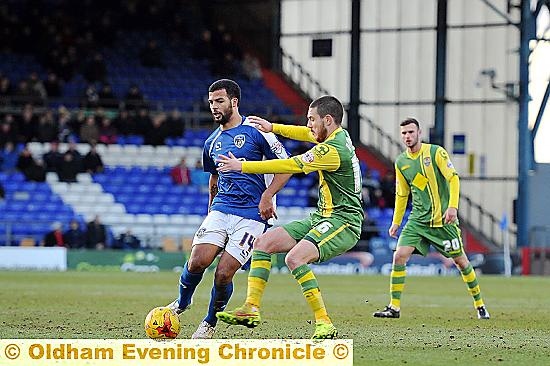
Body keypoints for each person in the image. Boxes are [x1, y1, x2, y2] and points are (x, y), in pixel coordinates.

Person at [215, 95, 364, 339]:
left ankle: (324, 323)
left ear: (327, 120)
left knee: (295, 259)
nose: (308, 125)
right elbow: (306, 135)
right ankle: (251, 308)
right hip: (322, 216)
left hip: (343, 222)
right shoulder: (339, 134)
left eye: (311, 119)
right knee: (262, 244)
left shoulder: (332, 150)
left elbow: (289, 165)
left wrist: (242, 166)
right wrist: (273, 128)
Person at [164, 79, 291, 339]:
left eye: (219, 101)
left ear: (234, 102)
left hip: (252, 216)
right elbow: (213, 180)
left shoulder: (258, 131)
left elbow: (286, 165)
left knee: (223, 274)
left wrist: (268, 195)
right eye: (211, 102)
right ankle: (182, 303)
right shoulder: (211, 142)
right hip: (221, 209)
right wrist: (210, 211)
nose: (214, 107)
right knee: (198, 260)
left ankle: (209, 322)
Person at [371, 118, 490, 320]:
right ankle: (394, 307)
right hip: (418, 221)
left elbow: (453, 178)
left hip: (443, 221)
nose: (407, 136)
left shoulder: (436, 153)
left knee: (461, 261)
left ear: (419, 133)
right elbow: (402, 194)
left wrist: (452, 207)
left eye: (411, 132)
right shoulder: (401, 162)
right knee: (399, 255)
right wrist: (396, 222)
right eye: (404, 133)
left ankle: (480, 305)